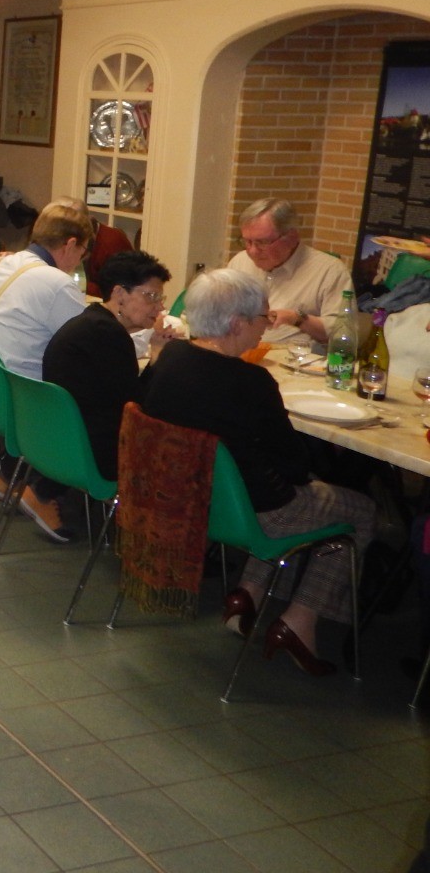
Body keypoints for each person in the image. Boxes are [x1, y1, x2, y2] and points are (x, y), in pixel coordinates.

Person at [140, 268, 376, 676]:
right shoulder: (251, 381)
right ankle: (300, 620)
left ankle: (247, 594)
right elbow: (295, 465)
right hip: (253, 511)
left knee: (277, 485)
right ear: (236, 324)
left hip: (192, 499)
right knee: (360, 511)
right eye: (263, 318)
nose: (266, 326)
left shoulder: (172, 358)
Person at [0, 201, 94, 541]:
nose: (80, 260)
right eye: (82, 251)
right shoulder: (55, 282)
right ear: (69, 244)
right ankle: (44, 491)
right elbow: (89, 341)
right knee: (93, 403)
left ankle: (7, 476)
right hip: (18, 398)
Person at [42, 249, 173, 481]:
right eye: (151, 297)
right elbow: (139, 407)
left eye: (160, 299)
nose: (159, 307)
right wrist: (158, 356)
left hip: (59, 440)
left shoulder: (90, 322)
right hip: (94, 451)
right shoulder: (107, 335)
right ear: (119, 294)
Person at [227, 197, 348, 345]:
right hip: (241, 356)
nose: (252, 251)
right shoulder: (240, 262)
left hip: (294, 361)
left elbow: (342, 334)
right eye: (247, 241)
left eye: (262, 242)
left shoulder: (330, 271)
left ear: (291, 237)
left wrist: (297, 319)